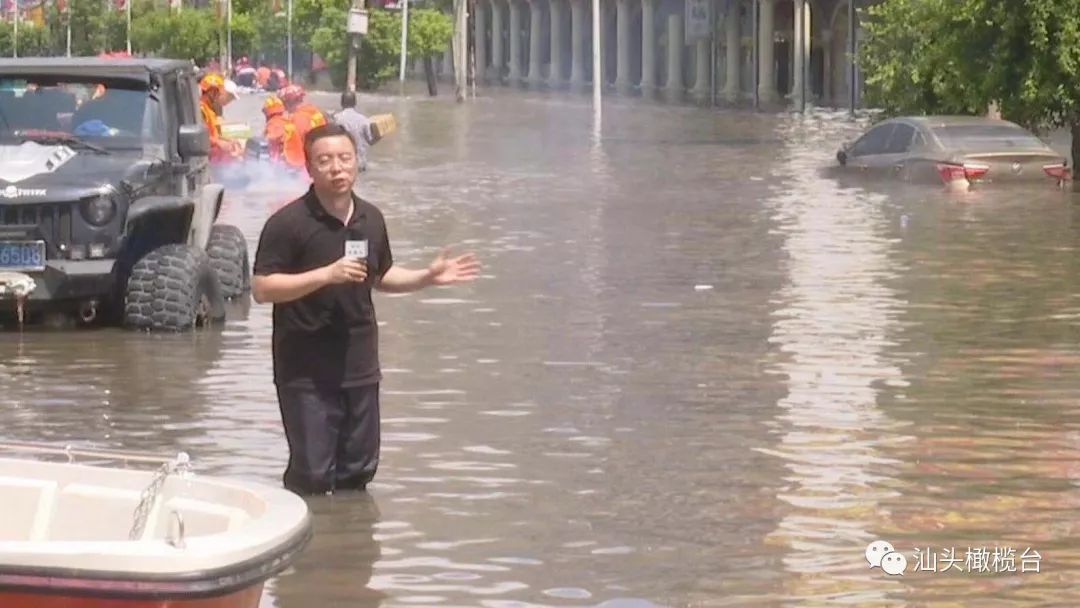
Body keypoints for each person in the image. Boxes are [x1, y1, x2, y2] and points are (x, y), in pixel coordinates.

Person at [251, 123, 481, 495]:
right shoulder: (288, 224)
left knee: (359, 471)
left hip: (359, 364)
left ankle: (349, 545)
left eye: (345, 158)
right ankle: (309, 541)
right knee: (312, 473)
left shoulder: (370, 219)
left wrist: (428, 277)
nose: (337, 168)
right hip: (304, 369)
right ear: (309, 168)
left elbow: (381, 276)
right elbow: (262, 289)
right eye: (325, 161)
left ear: (358, 161)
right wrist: (326, 274)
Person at [198, 73, 242, 161]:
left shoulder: (209, 109)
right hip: (208, 157)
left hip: (215, 154)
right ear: (211, 92)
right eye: (218, 92)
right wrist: (219, 143)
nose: (219, 95)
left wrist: (229, 140)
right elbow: (200, 137)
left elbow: (213, 134)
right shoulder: (201, 109)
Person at [332, 91, 376, 176]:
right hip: (359, 163)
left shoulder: (336, 119)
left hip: (342, 163)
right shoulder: (364, 120)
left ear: (341, 103)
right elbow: (370, 141)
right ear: (355, 103)